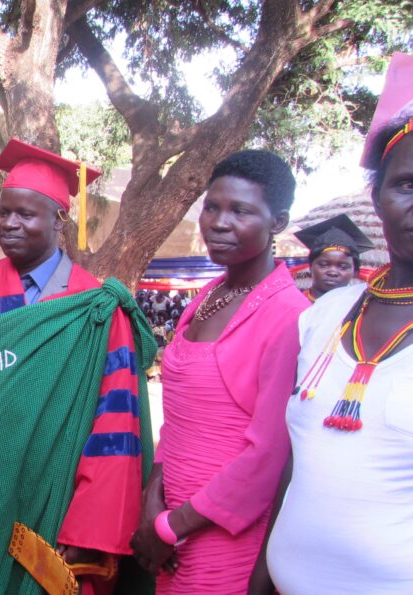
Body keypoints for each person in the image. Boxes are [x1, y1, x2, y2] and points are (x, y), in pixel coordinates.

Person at [0, 138, 156, 594]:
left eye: (26, 214)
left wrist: (91, 524)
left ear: (60, 220)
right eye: (4, 212)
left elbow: (115, 423)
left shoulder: (94, 308)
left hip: (61, 487)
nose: (10, 224)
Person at [261, 53, 413, 594]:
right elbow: (296, 465)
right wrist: (263, 575)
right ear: (377, 197)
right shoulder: (324, 315)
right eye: (408, 186)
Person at [129, 150, 308, 594]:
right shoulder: (209, 295)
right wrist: (154, 499)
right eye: (212, 207)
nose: (219, 222)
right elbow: (179, 415)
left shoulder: (288, 315)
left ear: (277, 222)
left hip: (224, 536)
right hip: (170, 524)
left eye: (241, 211)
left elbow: (267, 457)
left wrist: (172, 526)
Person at [292, 214, 373, 303]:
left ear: (355, 272)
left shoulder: (362, 308)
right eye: (324, 265)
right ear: (311, 267)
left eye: (343, 267)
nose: (333, 272)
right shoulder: (295, 305)